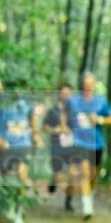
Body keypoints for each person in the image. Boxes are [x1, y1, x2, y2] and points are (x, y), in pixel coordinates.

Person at [67, 73, 111, 220]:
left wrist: (99, 119)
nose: (87, 89)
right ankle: (87, 209)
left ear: (94, 86)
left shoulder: (101, 102)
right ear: (82, 86)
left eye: (90, 86)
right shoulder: (73, 102)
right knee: (84, 173)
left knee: (93, 177)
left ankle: (88, 196)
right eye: (85, 86)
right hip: (79, 143)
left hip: (97, 144)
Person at [0, 86, 38, 223]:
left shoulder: (26, 105)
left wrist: (36, 136)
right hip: (6, 147)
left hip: (22, 146)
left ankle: (20, 214)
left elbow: (33, 122)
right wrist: (0, 141)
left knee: (22, 176)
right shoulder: (0, 105)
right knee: (6, 179)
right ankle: (10, 203)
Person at [42, 83, 75, 211]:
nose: (66, 96)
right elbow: (45, 127)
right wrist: (55, 130)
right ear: (59, 94)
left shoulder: (75, 111)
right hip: (56, 147)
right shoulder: (52, 111)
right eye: (63, 93)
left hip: (72, 147)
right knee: (59, 175)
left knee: (73, 175)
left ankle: (68, 200)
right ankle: (55, 180)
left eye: (68, 93)